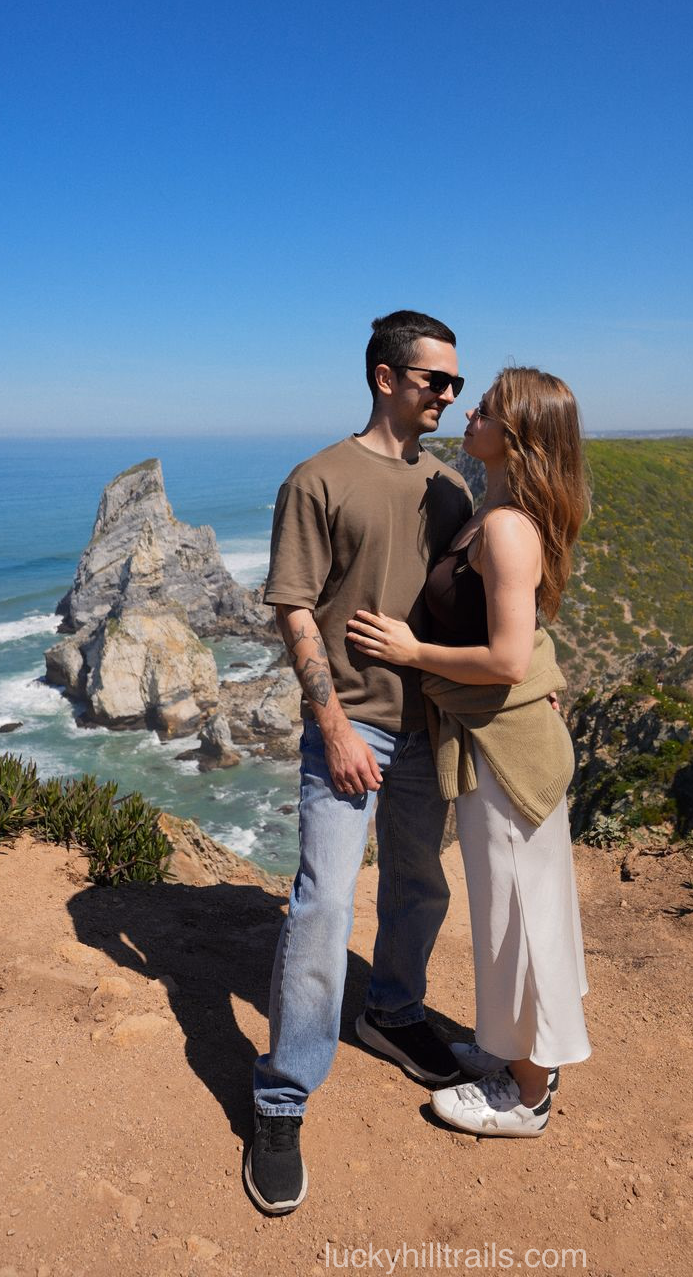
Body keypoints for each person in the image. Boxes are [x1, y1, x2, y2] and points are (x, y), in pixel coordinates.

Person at [246, 310, 473, 1215]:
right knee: (325, 900)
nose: (450, 395)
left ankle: (391, 1010)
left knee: (421, 887)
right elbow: (295, 608)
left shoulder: (451, 486)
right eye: (435, 381)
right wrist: (332, 724)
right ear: (387, 378)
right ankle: (280, 1098)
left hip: (430, 727)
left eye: (456, 383)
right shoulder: (318, 479)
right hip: (355, 726)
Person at [347, 366, 591, 1138]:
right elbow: (528, 645)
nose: (470, 409)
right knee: (512, 905)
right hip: (494, 738)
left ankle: (529, 1094)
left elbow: (510, 658)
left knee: (520, 909)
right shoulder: (493, 509)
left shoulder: (507, 528)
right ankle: (517, 1054)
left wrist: (412, 650)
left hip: (505, 748)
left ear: (516, 435)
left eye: (487, 405)